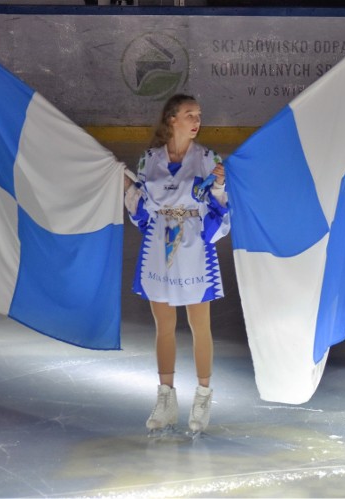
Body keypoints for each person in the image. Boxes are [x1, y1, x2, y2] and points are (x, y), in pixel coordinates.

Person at [122, 94, 229, 433]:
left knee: (200, 325)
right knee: (164, 326)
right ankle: (165, 398)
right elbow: (140, 203)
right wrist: (120, 180)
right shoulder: (149, 160)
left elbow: (219, 204)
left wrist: (222, 184)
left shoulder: (208, 159)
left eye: (198, 114)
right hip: (157, 244)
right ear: (172, 119)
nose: (196, 120)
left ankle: (202, 397)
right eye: (189, 114)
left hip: (194, 246)